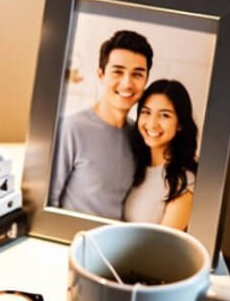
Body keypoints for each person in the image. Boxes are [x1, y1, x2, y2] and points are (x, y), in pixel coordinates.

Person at [48, 29, 153, 217]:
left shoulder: (137, 136)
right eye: (118, 72)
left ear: (146, 81)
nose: (127, 83)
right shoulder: (70, 129)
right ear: (101, 75)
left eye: (137, 74)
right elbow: (48, 205)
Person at [123, 79, 199, 230]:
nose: (152, 123)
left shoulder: (184, 181)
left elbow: (165, 242)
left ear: (180, 124)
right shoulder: (137, 165)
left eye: (164, 115)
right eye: (146, 112)